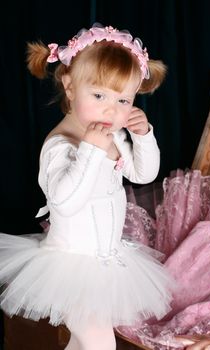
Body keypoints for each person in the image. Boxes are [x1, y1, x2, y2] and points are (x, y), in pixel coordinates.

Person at [0, 23, 174, 350]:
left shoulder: (112, 135)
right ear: (69, 87)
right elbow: (65, 202)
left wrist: (143, 136)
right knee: (99, 343)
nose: (112, 110)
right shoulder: (61, 146)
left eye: (123, 100)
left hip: (106, 264)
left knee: (87, 343)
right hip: (71, 267)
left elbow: (143, 174)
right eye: (98, 95)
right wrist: (91, 152)